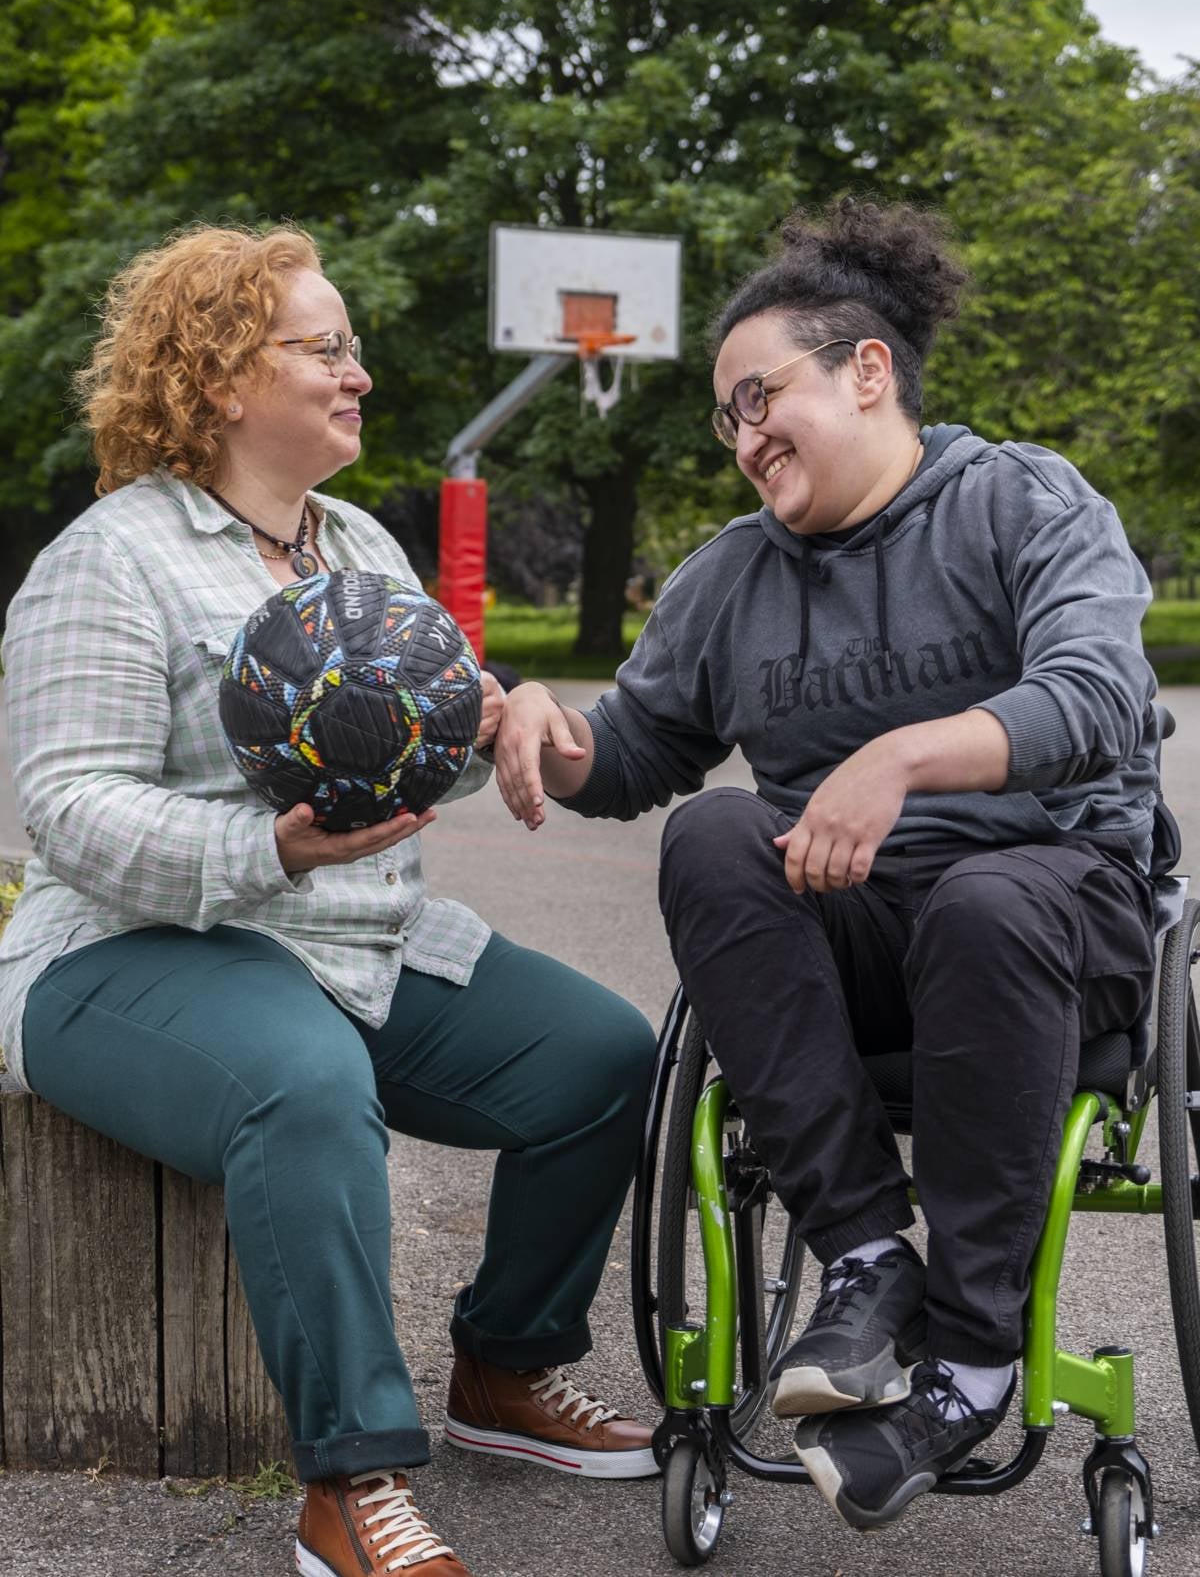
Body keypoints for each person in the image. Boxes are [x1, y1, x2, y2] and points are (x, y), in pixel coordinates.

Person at [493, 198, 1160, 1533]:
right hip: (851, 942)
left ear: (867, 372)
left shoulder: (1022, 500)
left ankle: (973, 1359)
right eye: (727, 419)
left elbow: (1100, 695)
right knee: (716, 831)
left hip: (1049, 920)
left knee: (984, 899)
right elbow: (633, 756)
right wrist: (546, 727)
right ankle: (864, 1255)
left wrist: (909, 756)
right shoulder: (733, 577)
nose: (745, 441)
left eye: (762, 398)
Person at [0, 224, 658, 1577]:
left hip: (344, 940)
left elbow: (407, 758)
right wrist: (277, 854)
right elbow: (67, 807)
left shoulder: (354, 542)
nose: (357, 372)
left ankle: (507, 1371)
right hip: (124, 955)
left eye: (348, 345)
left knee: (601, 1056)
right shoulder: (105, 559)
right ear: (221, 378)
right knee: (302, 1087)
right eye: (325, 346)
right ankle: (350, 1482)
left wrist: (501, 717)